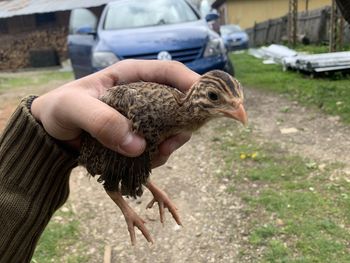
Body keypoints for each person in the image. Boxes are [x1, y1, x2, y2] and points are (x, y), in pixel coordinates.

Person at [0, 59, 200, 261]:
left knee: (139, 154)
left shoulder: (173, 111)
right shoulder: (147, 113)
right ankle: (127, 204)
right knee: (129, 155)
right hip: (110, 141)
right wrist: (127, 210)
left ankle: (150, 189)